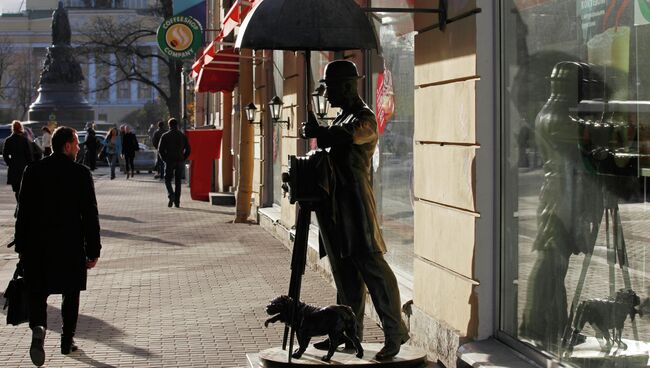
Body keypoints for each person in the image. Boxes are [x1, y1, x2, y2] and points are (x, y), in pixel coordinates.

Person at [300, 60, 409, 360]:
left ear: (348, 86)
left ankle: (395, 332)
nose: (328, 95)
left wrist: (319, 132)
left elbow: (351, 134)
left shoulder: (364, 118)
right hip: (336, 208)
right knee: (345, 276)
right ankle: (349, 334)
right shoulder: (341, 117)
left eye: (331, 89)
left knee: (374, 271)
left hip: (357, 206)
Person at [14, 126, 101, 366]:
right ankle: (66, 340)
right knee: (70, 292)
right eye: (76, 143)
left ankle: (38, 328)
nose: (79, 147)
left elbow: (22, 213)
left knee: (38, 291)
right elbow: (90, 215)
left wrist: (21, 246)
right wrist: (94, 250)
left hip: (36, 245)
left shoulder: (32, 171)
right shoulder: (81, 174)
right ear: (67, 146)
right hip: (69, 244)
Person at [158, 118, 190, 208]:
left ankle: (171, 195)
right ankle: (177, 202)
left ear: (169, 125)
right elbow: (188, 149)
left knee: (167, 179)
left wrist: (165, 159)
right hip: (180, 160)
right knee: (178, 181)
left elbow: (160, 150)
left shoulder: (165, 136)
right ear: (177, 125)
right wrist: (183, 158)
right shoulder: (182, 136)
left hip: (169, 161)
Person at [2, 121, 33, 201]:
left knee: (16, 190)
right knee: (24, 189)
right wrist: (30, 166)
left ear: (13, 129)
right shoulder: (24, 140)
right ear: (20, 128)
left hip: (13, 169)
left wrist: (10, 163)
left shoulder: (8, 140)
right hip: (24, 167)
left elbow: (5, 154)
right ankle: (22, 207)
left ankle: (19, 206)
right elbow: (29, 155)